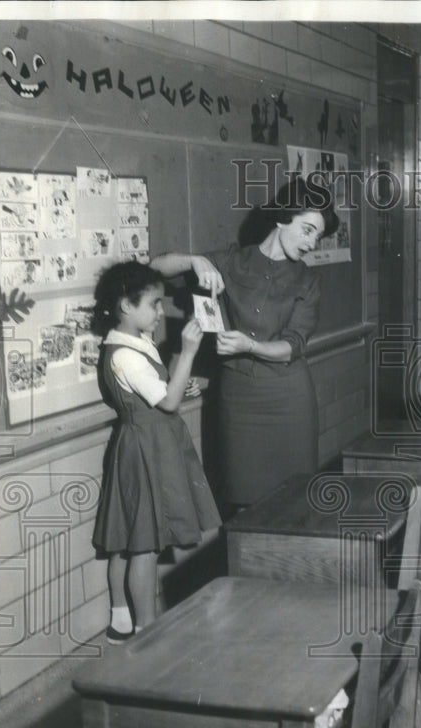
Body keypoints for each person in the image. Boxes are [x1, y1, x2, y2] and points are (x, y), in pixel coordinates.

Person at [150, 176, 339, 507]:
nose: (312, 243)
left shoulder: (308, 280)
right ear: (283, 217)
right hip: (236, 401)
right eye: (307, 230)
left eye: (318, 236)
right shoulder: (230, 261)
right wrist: (194, 260)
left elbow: (294, 346)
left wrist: (251, 346)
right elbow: (155, 268)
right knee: (242, 501)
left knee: (294, 501)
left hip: (289, 400)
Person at [91, 261, 221, 642]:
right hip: (147, 447)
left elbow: (164, 387)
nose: (161, 312)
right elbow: (167, 402)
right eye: (154, 304)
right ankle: (148, 630)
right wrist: (189, 352)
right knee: (144, 545)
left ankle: (120, 621)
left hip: (144, 443)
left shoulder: (130, 342)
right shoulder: (124, 354)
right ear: (126, 306)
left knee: (127, 538)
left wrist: (185, 379)